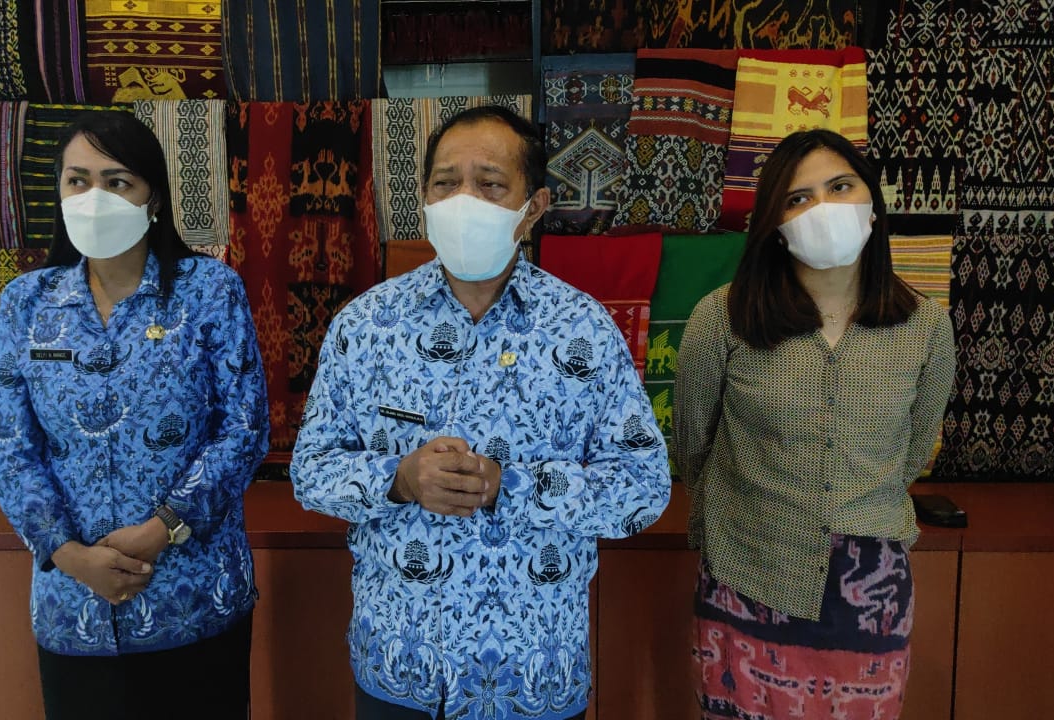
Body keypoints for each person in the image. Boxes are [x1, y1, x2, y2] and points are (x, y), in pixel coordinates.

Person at [291, 105, 671, 720]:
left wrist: (509, 486)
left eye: (490, 183)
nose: (463, 200)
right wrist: (399, 478)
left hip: (534, 673)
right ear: (424, 199)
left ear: (534, 206)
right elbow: (311, 471)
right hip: (401, 668)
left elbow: (641, 488)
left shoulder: (583, 329)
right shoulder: (366, 327)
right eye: (445, 183)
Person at [0, 111, 269, 720]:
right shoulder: (26, 304)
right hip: (74, 606)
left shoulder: (209, 290)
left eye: (117, 182)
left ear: (153, 198)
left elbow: (243, 430)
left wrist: (163, 528)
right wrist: (68, 554)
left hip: (194, 596)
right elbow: (10, 447)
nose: (94, 198)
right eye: (77, 180)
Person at [674, 129, 955, 719]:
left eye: (840, 187)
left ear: (872, 203)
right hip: (748, 573)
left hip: (870, 596)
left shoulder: (925, 328)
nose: (822, 208)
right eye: (797, 198)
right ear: (775, 225)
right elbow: (693, 446)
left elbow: (909, 455)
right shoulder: (721, 318)